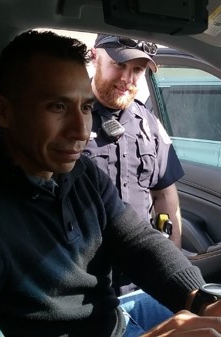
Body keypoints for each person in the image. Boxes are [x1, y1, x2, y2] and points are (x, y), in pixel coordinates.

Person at [0, 30, 221, 337]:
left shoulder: (79, 175)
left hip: (113, 320)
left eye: (86, 108)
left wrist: (202, 298)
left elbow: (139, 242)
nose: (80, 131)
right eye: (58, 107)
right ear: (2, 111)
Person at [84, 34, 184, 249]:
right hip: (83, 267)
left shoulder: (149, 123)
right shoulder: (68, 116)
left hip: (138, 265)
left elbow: (164, 194)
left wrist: (173, 258)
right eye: (119, 64)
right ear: (94, 57)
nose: (127, 79)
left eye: (137, 70)